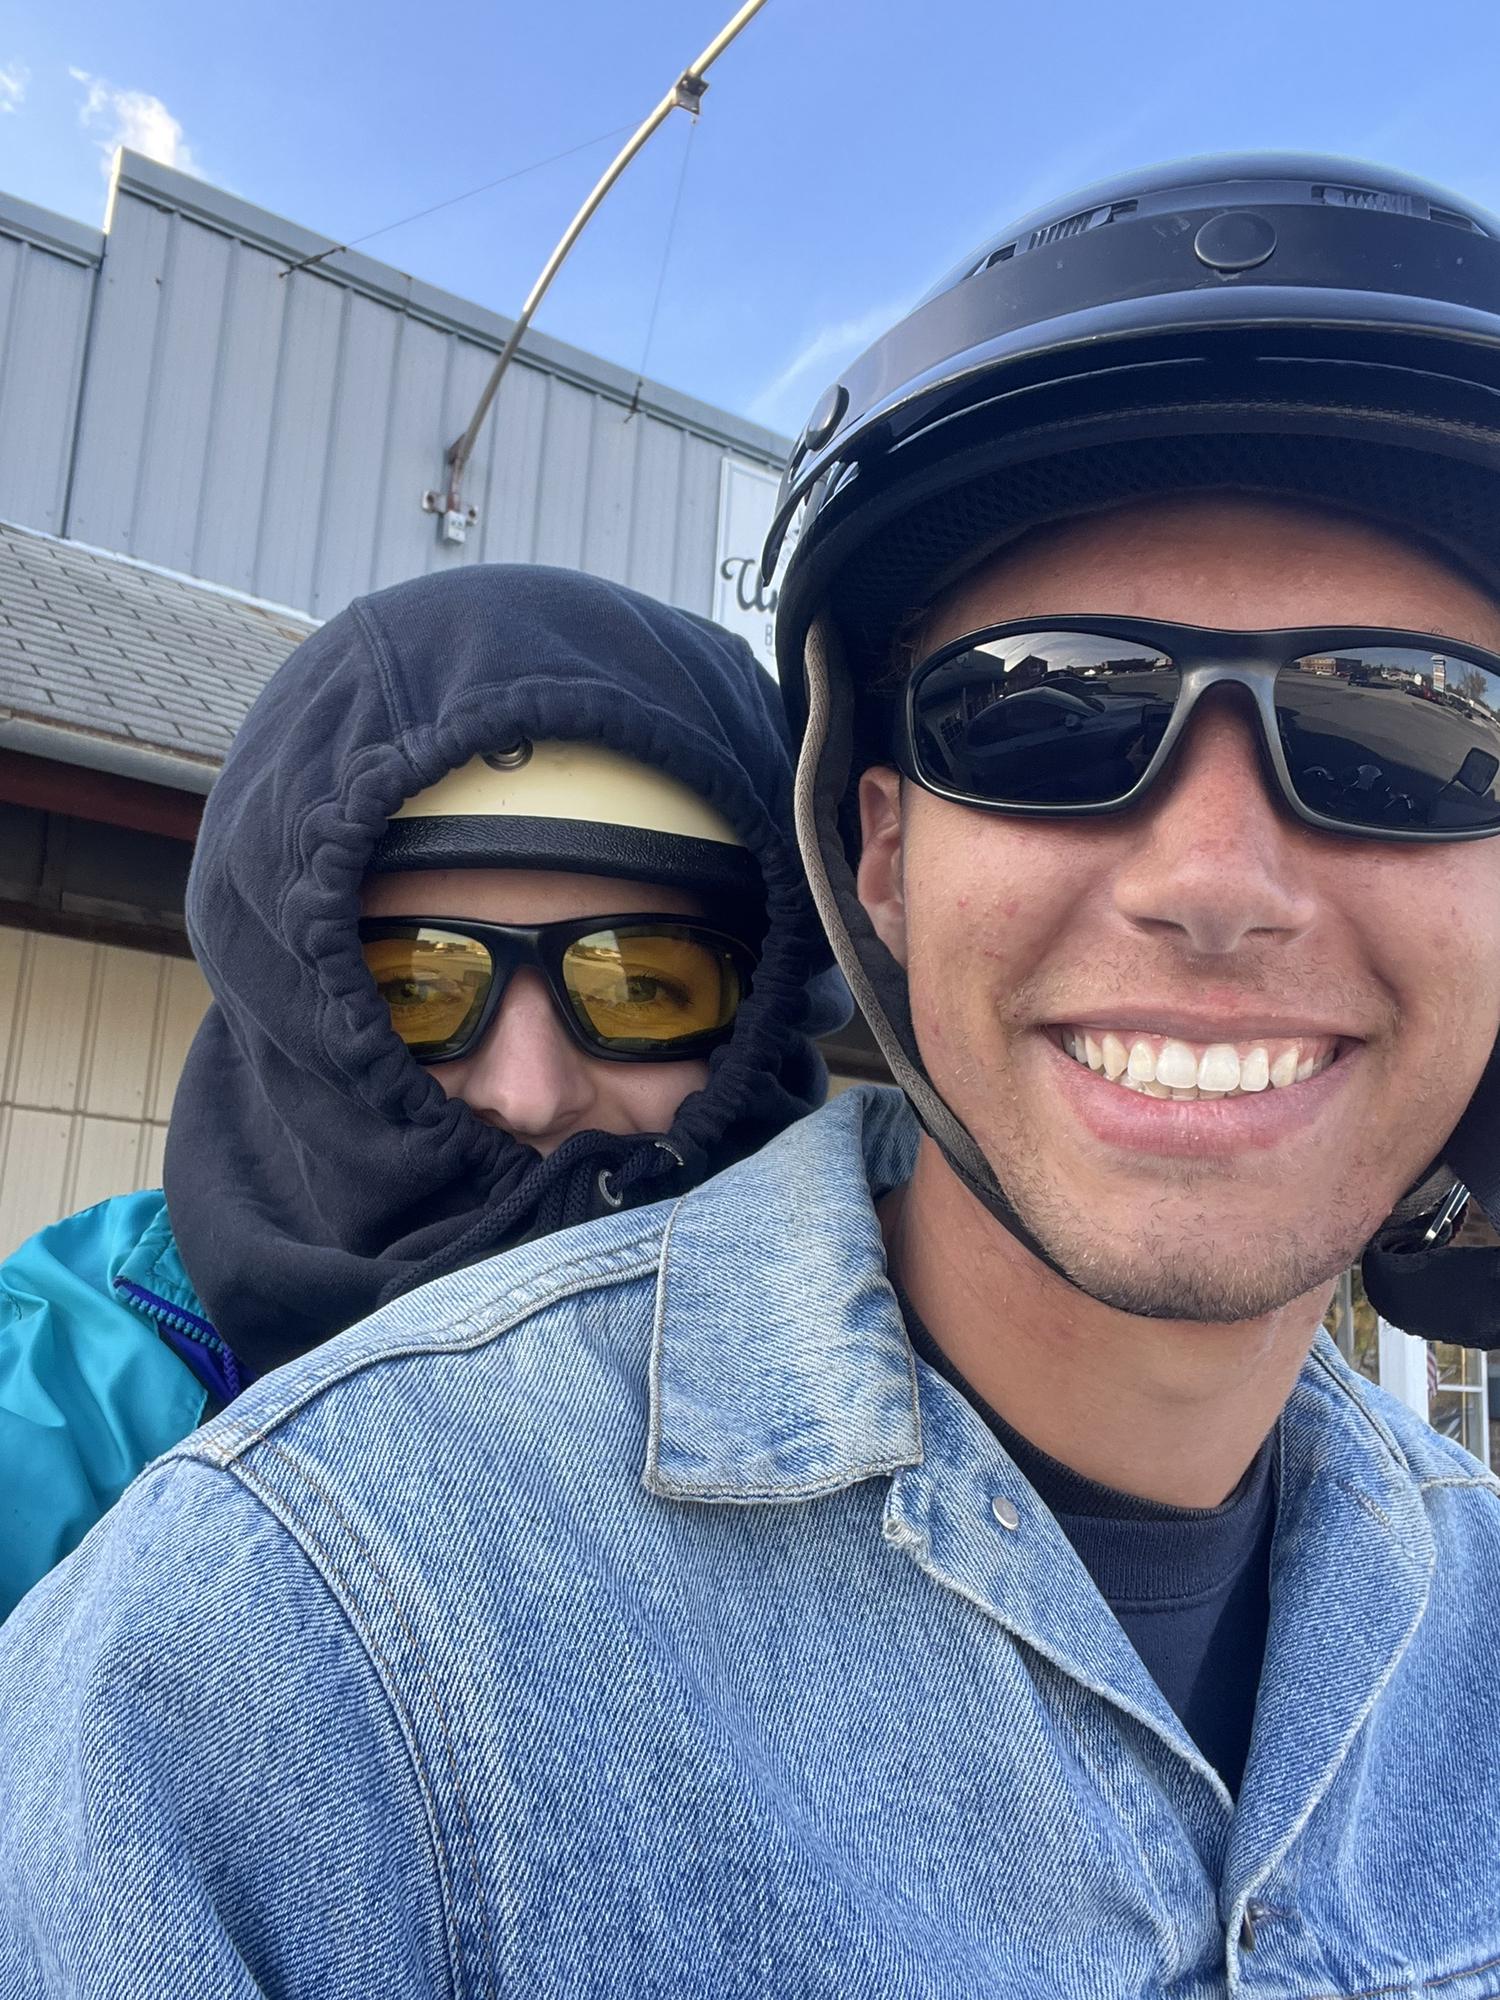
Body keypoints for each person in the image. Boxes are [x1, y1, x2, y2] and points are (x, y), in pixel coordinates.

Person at [7, 152, 1500, 1995]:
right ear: (876, 854)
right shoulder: (268, 1648)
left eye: (1403, 727)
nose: (1215, 880)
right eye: (1047, 708)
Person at [0, 562, 843, 1618]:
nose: (532, 1093)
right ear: (298, 1008)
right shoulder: (70, 1382)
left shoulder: (915, 1393)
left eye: (640, 982)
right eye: (416, 986)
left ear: (764, 1014)